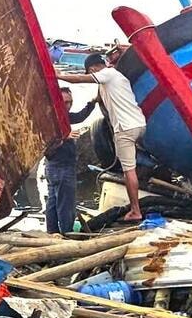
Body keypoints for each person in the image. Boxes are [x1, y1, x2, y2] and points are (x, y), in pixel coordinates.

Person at [63, 51, 147, 222]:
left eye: (91, 73)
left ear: (93, 69)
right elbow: (100, 96)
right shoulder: (116, 76)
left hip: (125, 129)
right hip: (140, 124)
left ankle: (135, 210)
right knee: (136, 162)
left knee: (128, 171)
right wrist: (93, 102)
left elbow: (79, 79)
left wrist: (56, 75)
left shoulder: (105, 75)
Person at [42, 86, 95, 234]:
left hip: (56, 168)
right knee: (66, 203)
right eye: (65, 102)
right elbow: (45, 141)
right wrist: (64, 136)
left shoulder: (63, 116)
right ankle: (67, 233)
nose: (68, 105)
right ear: (57, 101)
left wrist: (92, 103)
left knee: (53, 201)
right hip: (60, 167)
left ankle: (52, 233)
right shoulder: (50, 118)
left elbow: (79, 117)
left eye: (70, 102)